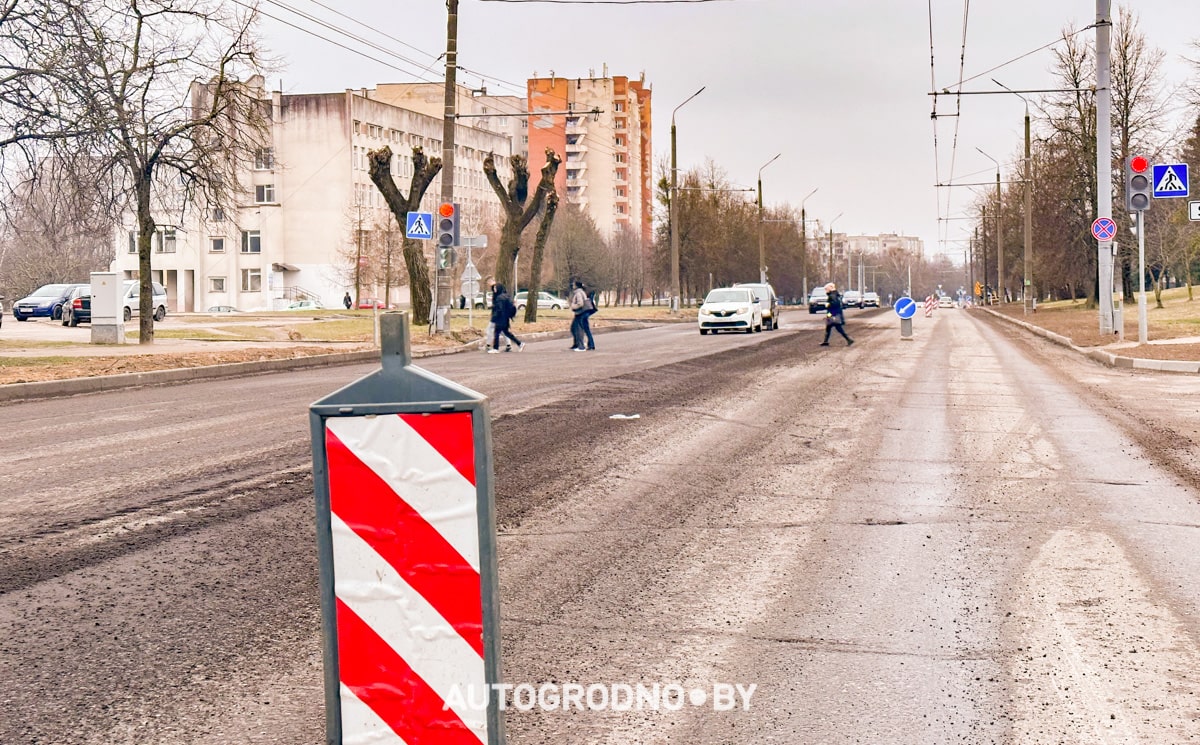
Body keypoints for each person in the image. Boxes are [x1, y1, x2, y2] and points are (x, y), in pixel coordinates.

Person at [488, 283, 524, 353]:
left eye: (495, 288)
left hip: (500, 318)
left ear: (498, 289)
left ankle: (496, 348)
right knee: (506, 333)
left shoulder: (499, 298)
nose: (494, 289)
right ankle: (519, 343)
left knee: (497, 333)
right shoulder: (506, 296)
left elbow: (499, 309)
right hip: (506, 318)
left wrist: (495, 315)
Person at [820, 282, 854, 347]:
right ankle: (826, 341)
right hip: (835, 314)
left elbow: (834, 304)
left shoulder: (832, 296)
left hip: (834, 314)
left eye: (826, 289)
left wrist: (827, 305)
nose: (826, 291)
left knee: (838, 328)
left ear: (830, 288)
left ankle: (849, 339)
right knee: (829, 328)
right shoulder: (835, 294)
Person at [568, 280, 591, 351]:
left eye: (574, 285)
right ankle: (576, 344)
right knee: (573, 328)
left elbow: (580, 303)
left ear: (577, 286)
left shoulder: (578, 293)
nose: (573, 286)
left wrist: (573, 306)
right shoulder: (580, 292)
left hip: (580, 313)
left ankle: (581, 346)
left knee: (579, 329)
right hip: (580, 313)